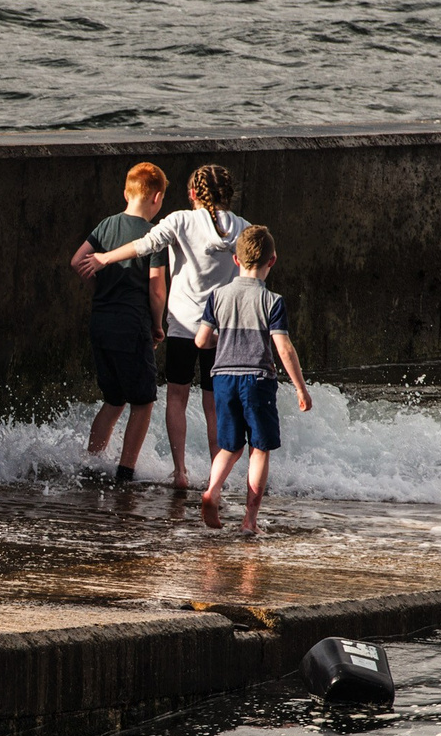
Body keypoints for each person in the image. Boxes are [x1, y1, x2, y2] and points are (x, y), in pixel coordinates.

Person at [75, 163, 246, 493]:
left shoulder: (180, 220)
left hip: (183, 326)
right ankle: (216, 475)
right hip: (219, 330)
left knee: (176, 399)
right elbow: (262, 256)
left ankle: (179, 471)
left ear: (192, 193)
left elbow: (144, 245)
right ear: (228, 193)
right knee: (213, 405)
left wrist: (105, 258)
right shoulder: (242, 227)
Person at [195, 224, 313, 538]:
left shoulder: (217, 296)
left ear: (236, 260)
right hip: (257, 379)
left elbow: (201, 341)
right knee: (259, 449)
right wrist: (301, 388)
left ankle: (212, 490)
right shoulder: (272, 301)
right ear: (272, 260)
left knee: (229, 447)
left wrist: (221, 341)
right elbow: (283, 348)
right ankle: (249, 520)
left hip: (222, 378)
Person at [69, 162, 168, 482]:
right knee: (144, 400)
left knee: (113, 400)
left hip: (101, 321)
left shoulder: (106, 225)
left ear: (126, 193)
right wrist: (158, 324)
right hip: (132, 323)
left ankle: (92, 463)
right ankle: (125, 471)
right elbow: (156, 290)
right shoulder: (153, 236)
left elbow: (76, 260)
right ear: (157, 197)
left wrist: (100, 291)